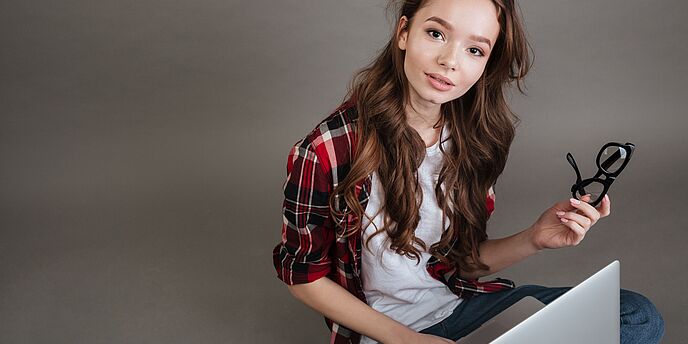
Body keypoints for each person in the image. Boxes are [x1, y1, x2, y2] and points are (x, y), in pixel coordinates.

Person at [271, 0, 665, 343]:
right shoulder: (326, 151)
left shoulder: (473, 141)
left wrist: (534, 238)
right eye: (436, 34)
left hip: (463, 308)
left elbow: (459, 263)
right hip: (387, 333)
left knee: (636, 315)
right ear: (404, 33)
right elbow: (302, 276)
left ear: (485, 64)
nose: (450, 61)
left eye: (475, 50)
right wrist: (406, 340)